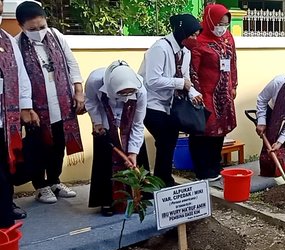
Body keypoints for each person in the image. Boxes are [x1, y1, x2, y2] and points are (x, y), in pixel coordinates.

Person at [16, 1, 84, 204]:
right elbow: (17, 77)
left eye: (41, 26)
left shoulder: (55, 35)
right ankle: (41, 186)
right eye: (32, 29)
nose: (38, 31)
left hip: (61, 101)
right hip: (37, 106)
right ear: (22, 26)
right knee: (39, 146)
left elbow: (71, 62)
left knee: (59, 143)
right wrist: (25, 107)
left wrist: (78, 90)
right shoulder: (17, 44)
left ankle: (54, 180)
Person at [139, 14, 202, 186]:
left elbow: (186, 78)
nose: (195, 39)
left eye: (197, 35)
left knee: (169, 141)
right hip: (151, 103)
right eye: (192, 35)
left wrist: (193, 93)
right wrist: (181, 84)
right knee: (166, 138)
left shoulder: (185, 52)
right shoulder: (160, 48)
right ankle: (162, 179)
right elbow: (152, 80)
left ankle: (162, 178)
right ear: (182, 31)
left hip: (171, 105)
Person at [85, 61, 147, 216]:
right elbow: (91, 101)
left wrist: (133, 152)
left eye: (129, 93)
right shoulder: (95, 80)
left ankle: (138, 197)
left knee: (136, 153)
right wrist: (97, 122)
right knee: (105, 155)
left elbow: (138, 124)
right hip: (104, 115)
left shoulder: (141, 90)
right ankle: (107, 201)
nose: (125, 96)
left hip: (129, 116)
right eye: (122, 93)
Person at [0, 0, 39, 226]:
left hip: (8, 118)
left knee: (7, 164)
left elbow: (21, 74)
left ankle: (6, 204)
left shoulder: (7, 40)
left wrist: (25, 106)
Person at [190, 4, 238, 180]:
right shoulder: (199, 41)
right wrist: (196, 92)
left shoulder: (228, 38)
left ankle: (215, 166)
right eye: (219, 23)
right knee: (204, 131)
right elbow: (193, 70)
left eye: (225, 24)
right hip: (205, 93)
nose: (222, 28)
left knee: (220, 131)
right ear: (210, 21)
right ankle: (202, 170)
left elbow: (233, 62)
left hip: (224, 93)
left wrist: (234, 85)